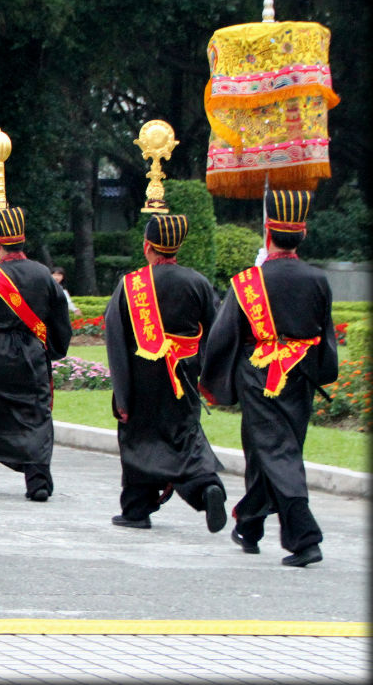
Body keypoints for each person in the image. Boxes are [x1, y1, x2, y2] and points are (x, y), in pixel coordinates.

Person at [201, 190, 337, 568]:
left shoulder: (248, 281)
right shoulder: (318, 279)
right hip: (301, 374)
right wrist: (323, 372)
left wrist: (212, 379)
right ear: (303, 233)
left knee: (275, 450)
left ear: (267, 233)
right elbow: (325, 334)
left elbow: (224, 335)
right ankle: (250, 523)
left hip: (259, 373)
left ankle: (304, 538)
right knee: (274, 446)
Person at [104, 213, 226, 532]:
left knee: (139, 440)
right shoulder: (198, 282)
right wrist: (206, 376)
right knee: (184, 435)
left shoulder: (130, 285)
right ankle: (205, 486)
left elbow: (116, 340)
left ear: (147, 247)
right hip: (183, 378)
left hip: (141, 378)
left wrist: (122, 393)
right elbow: (215, 334)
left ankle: (136, 509)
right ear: (177, 247)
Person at [0, 206, 72, 501]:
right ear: (22, 241)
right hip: (33, 355)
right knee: (36, 415)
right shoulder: (45, 276)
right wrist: (54, 350)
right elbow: (60, 321)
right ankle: (38, 482)